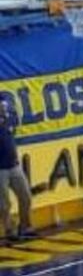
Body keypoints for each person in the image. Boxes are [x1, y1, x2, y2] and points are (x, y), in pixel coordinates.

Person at [0, 97, 35, 243]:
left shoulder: (8, 119)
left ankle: (25, 226)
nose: (3, 107)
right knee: (3, 203)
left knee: (26, 196)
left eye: (4, 106)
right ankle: (9, 230)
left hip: (14, 165)